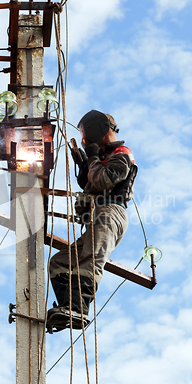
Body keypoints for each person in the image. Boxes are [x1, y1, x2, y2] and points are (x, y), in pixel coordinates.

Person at [46, 110, 137, 332]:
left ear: (98, 127)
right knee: (60, 263)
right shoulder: (104, 158)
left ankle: (79, 310)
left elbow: (104, 180)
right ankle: (69, 306)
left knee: (90, 259)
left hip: (110, 212)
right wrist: (86, 173)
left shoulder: (122, 154)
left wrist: (93, 160)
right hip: (96, 216)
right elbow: (93, 186)